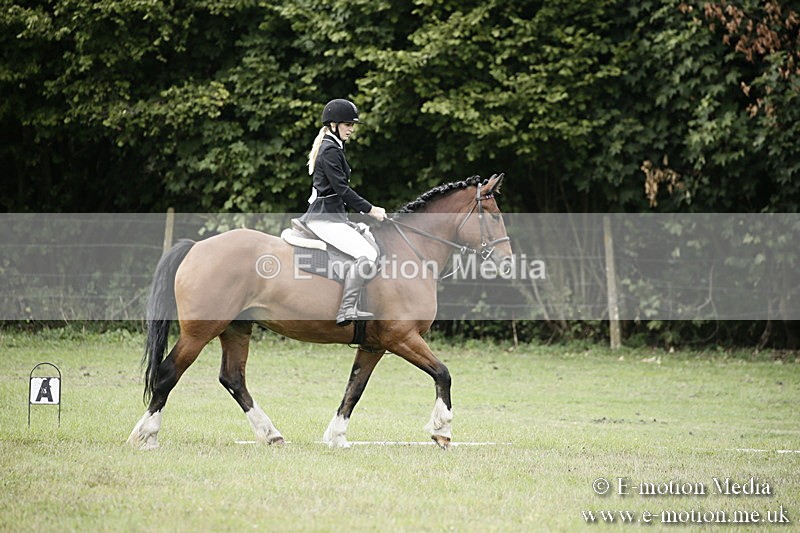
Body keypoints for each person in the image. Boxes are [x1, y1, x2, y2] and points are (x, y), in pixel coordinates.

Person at [300, 98, 386, 326]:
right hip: (324, 219)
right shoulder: (330, 150)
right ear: (333, 125)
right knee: (367, 254)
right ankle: (347, 309)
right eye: (348, 124)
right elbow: (342, 190)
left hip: (332, 216)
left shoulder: (334, 147)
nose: (351, 129)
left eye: (352, 125)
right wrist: (370, 209)